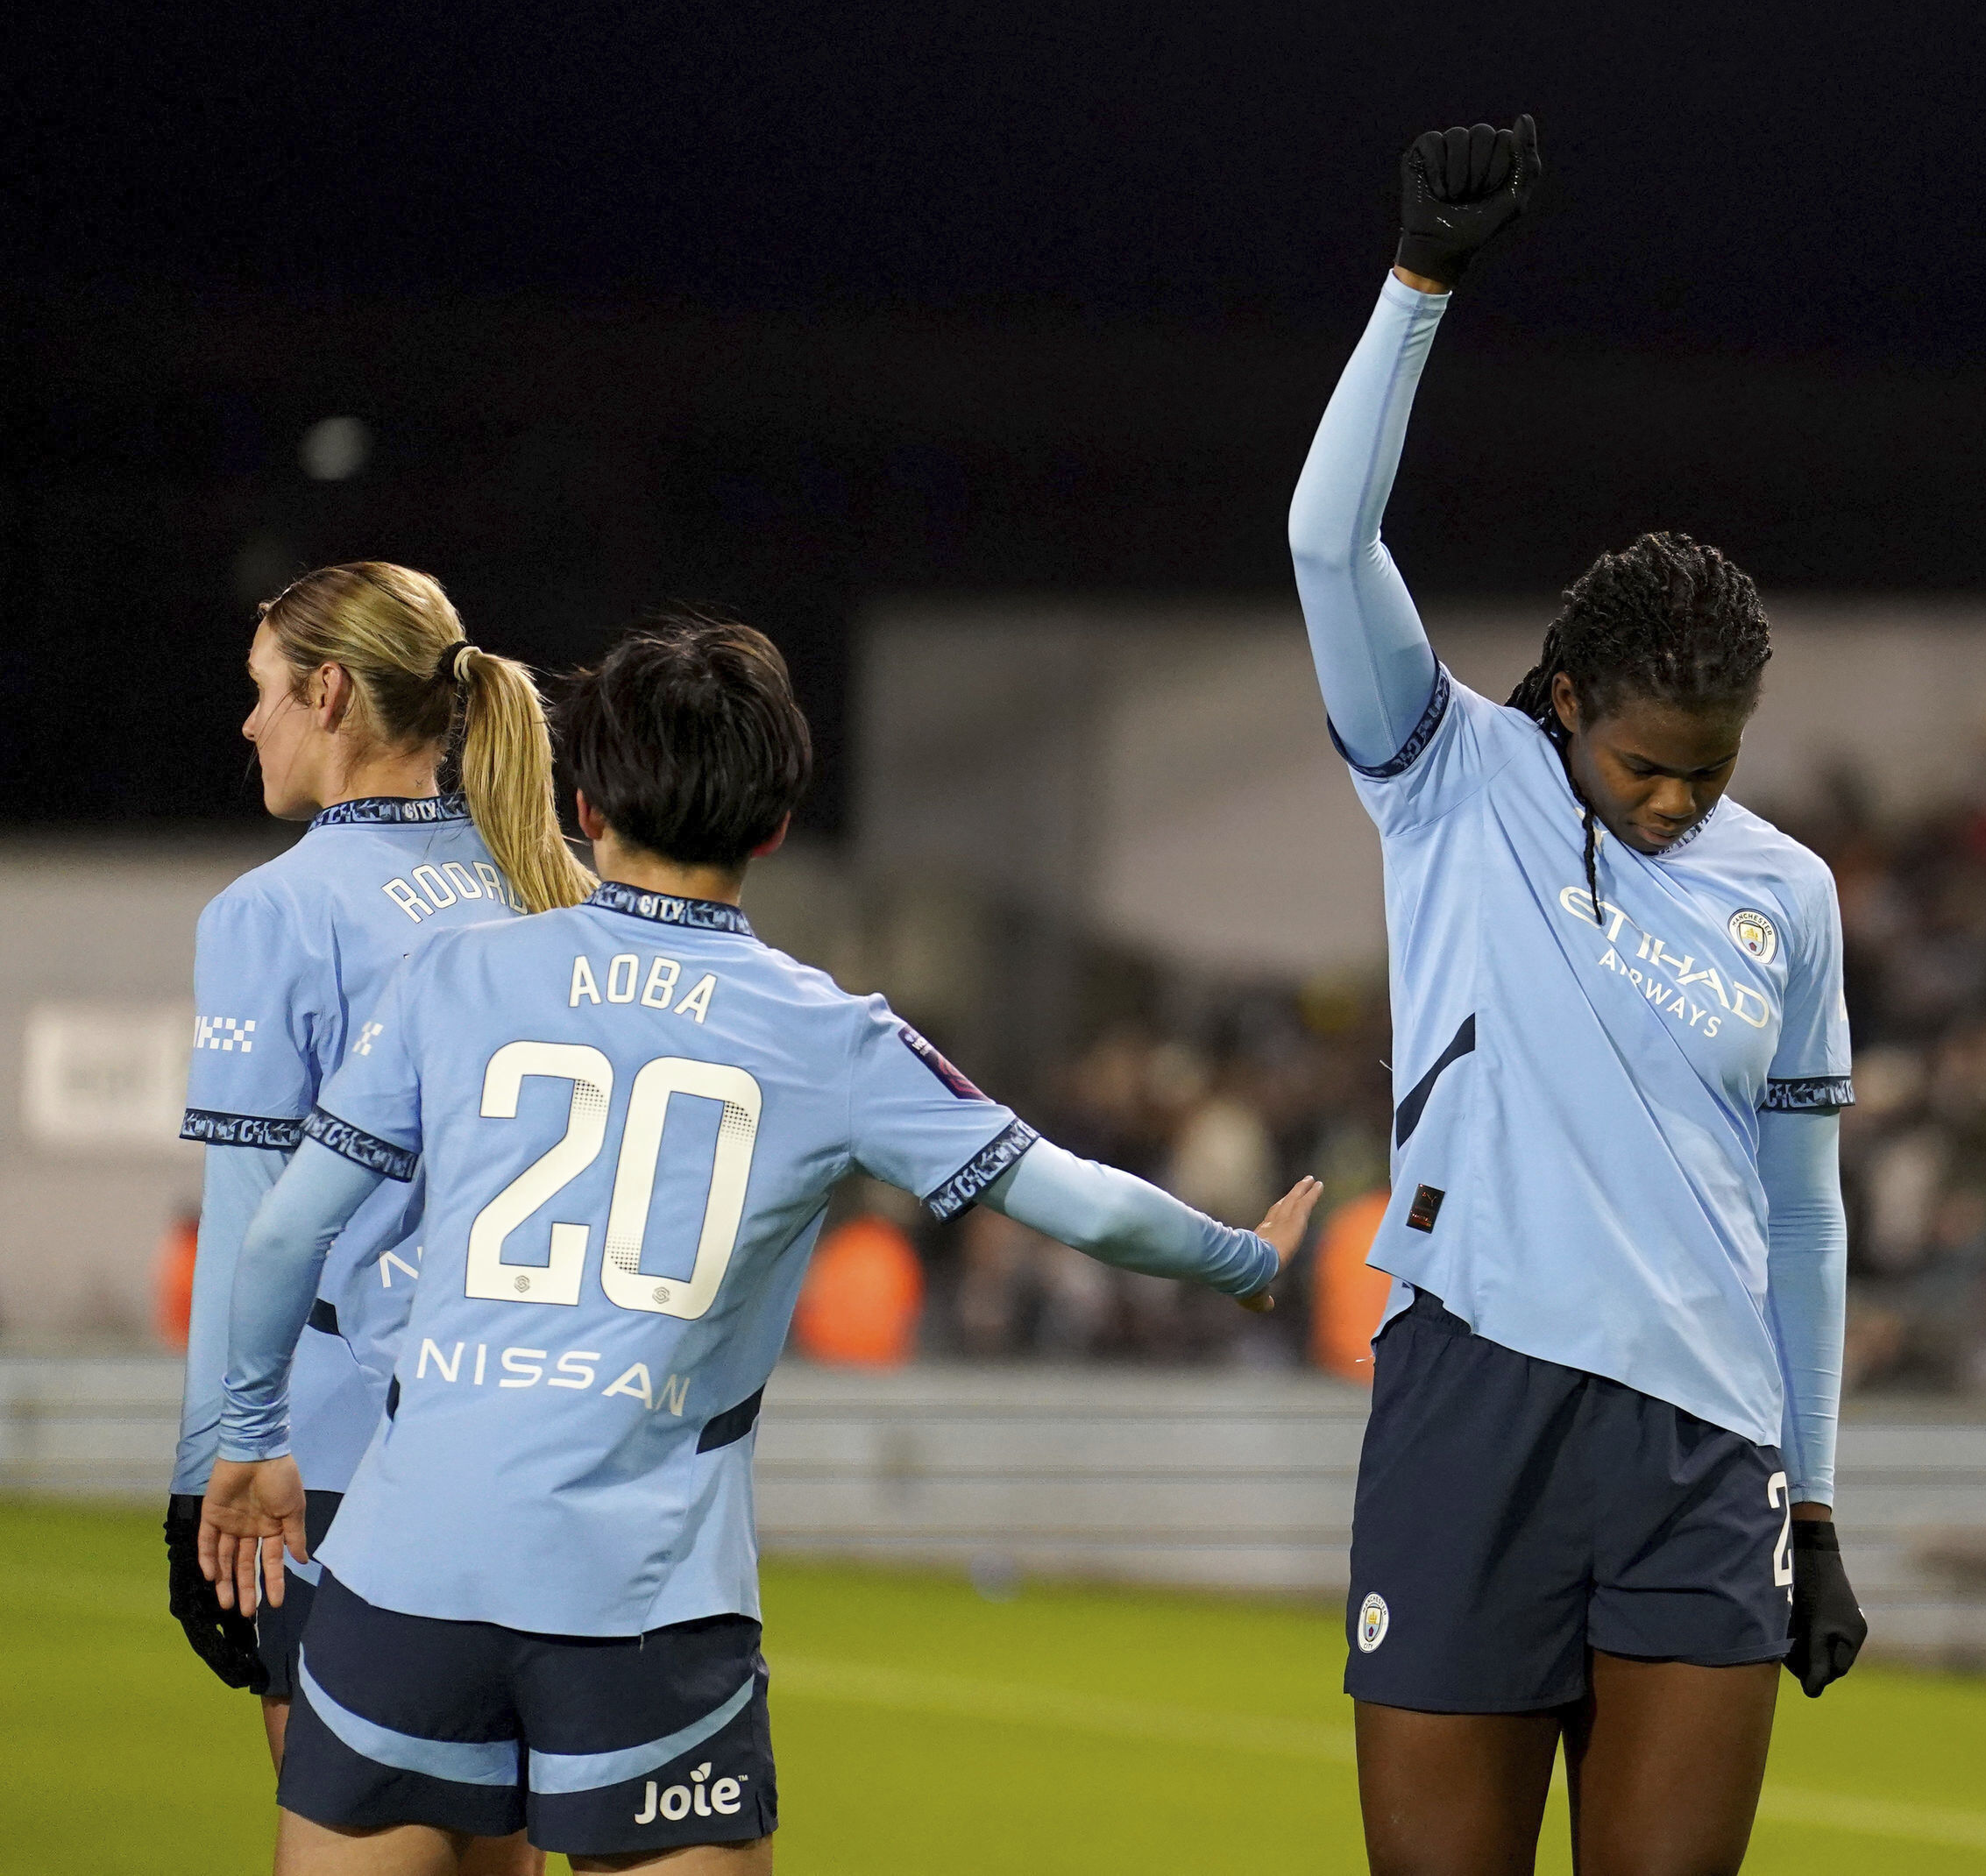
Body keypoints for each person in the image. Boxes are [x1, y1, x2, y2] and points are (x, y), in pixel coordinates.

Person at [201, 618, 1320, 1875]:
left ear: (586, 803)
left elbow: (288, 1224)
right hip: (643, 1604)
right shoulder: (830, 1035)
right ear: (775, 826)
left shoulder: (458, 973)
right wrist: (1244, 1258)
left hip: (406, 1576)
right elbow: (1080, 1202)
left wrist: (251, 1434)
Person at [1287, 117, 1866, 1876]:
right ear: (1564, 699)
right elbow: (1326, 539)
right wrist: (1418, 284)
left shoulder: (1789, 893)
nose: (1678, 798)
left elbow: (1803, 1215)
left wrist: (1817, 1492)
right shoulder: (1448, 770)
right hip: (1474, 1396)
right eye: (1644, 762)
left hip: (1706, 1451)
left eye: (1712, 766)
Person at [170, 560, 592, 1876]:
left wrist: (209, 1477)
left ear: (331, 692)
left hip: (328, 1468)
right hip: (526, 1456)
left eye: (263, 694)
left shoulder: (275, 910)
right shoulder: (548, 885)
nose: (250, 726)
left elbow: (259, 1229)